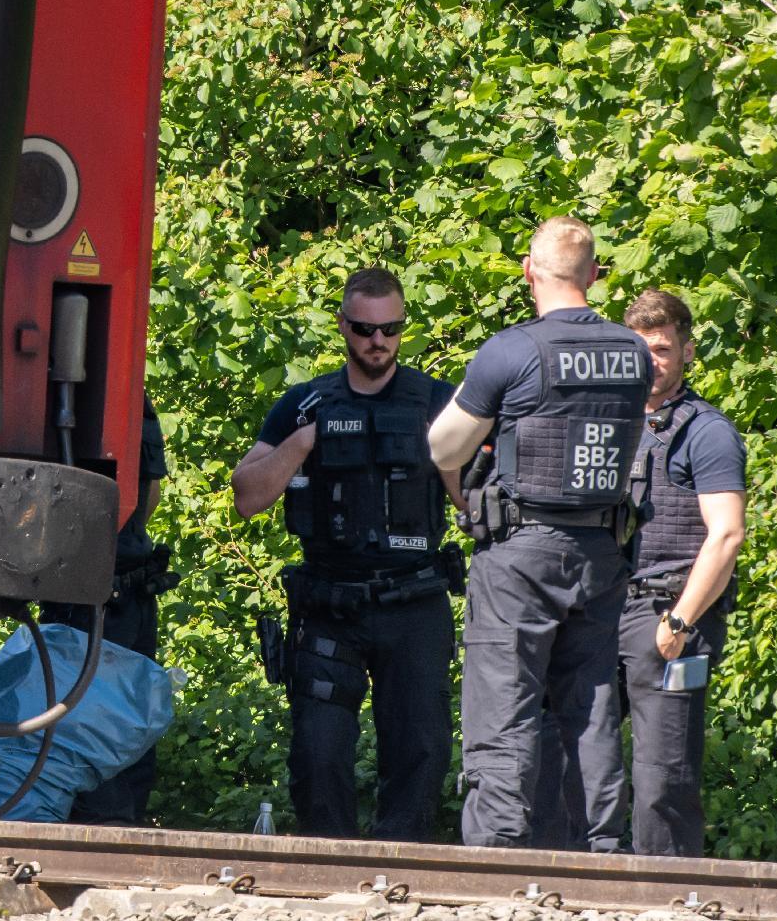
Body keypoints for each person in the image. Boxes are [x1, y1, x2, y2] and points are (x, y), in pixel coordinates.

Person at [427, 217, 651, 848]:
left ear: (529, 271)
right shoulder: (632, 351)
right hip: (602, 553)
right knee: (593, 710)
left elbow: (443, 445)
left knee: (505, 707)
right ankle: (601, 851)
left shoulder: (513, 350)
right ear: (594, 276)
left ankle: (495, 857)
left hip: (521, 555)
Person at [232, 267, 459, 840]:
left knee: (420, 748)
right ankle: (324, 868)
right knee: (318, 754)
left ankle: (400, 868)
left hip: (414, 600)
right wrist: (306, 441)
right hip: (330, 601)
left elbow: (477, 501)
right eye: (364, 329)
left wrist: (445, 454)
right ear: (343, 326)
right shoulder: (305, 405)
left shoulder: (436, 401)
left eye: (390, 329)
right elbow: (247, 497)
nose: (377, 342)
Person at [561, 288, 749, 854]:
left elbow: (727, 534)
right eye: (642, 349)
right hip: (598, 610)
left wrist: (682, 622)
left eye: (664, 349)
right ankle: (579, 884)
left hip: (667, 612)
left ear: (687, 351)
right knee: (578, 759)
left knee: (663, 776)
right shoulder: (601, 423)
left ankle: (667, 896)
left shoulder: (707, 431)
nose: (652, 361)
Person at [46, 393, 172, 822]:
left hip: (87, 598)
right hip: (133, 590)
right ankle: (121, 843)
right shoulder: (134, 398)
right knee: (130, 736)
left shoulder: (54, 401)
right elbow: (148, 495)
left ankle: (104, 843)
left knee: (89, 736)